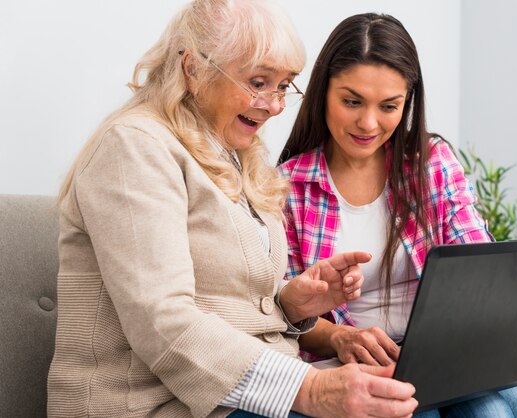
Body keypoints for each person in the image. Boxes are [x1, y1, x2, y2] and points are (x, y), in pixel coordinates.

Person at [47, 2, 421, 418]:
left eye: (284, 86)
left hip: (235, 400)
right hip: (157, 405)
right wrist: (312, 389)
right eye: (259, 82)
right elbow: (162, 321)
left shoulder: (234, 151)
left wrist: (291, 304)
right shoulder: (135, 147)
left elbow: (225, 302)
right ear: (192, 68)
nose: (276, 105)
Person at [279, 13, 517, 417]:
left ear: (408, 101)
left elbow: (479, 264)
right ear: (323, 92)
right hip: (358, 368)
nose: (368, 123)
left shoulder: (431, 164)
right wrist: (341, 337)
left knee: (495, 405)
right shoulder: (288, 187)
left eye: (389, 106)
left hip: (443, 355)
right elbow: (281, 311)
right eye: (351, 101)